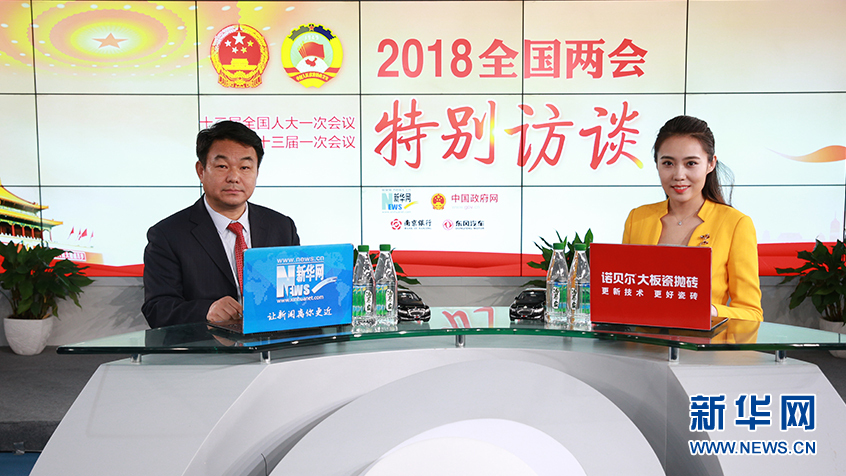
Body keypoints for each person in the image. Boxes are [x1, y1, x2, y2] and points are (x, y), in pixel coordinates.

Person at [142, 121, 300, 329]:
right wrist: (206, 311)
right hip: (206, 346)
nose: (234, 177)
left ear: (256, 172)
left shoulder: (281, 227)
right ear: (201, 171)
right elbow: (157, 309)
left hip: (272, 343)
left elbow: (296, 294)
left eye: (245, 167)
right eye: (222, 166)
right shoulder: (167, 235)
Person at [622, 115, 763, 322]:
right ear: (657, 164)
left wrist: (709, 311)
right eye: (668, 163)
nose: (679, 175)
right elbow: (625, 294)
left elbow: (752, 313)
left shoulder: (735, 224)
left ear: (710, 164)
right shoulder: (638, 218)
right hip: (644, 340)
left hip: (704, 341)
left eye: (691, 163)